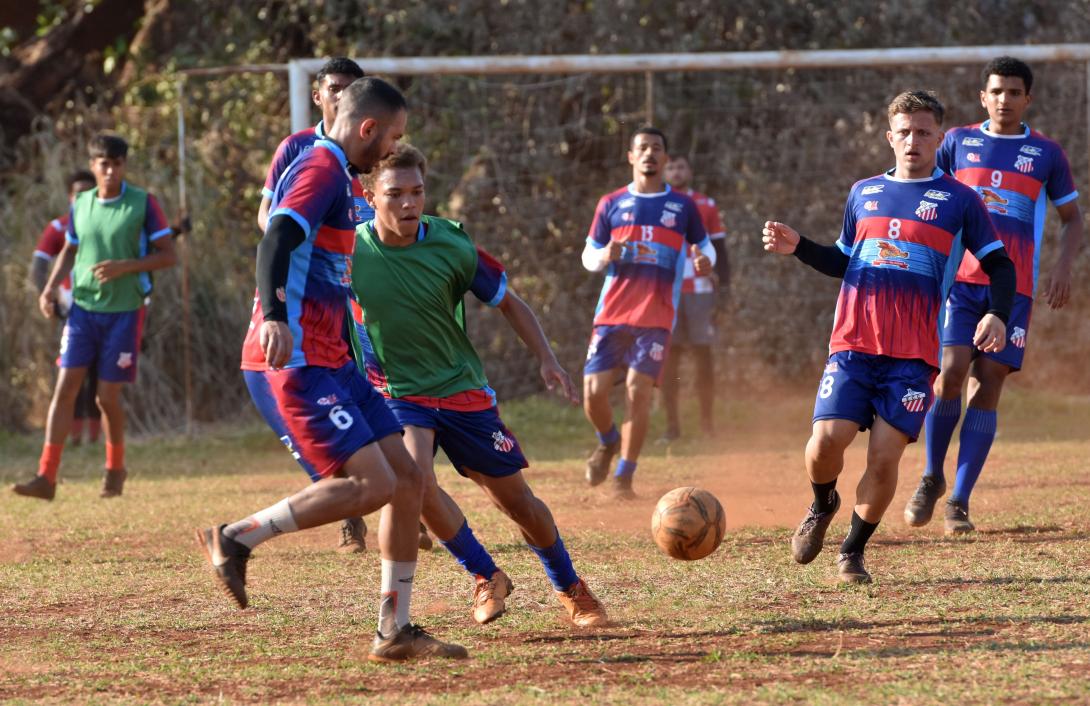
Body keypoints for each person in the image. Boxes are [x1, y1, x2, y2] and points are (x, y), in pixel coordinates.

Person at [195, 78, 466, 662]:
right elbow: (277, 238)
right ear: (368, 129)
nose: (394, 146)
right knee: (372, 486)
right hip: (297, 360)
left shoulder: (344, 175)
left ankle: (394, 629)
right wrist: (272, 314)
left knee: (410, 480)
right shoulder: (321, 167)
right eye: (392, 135)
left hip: (335, 359)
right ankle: (237, 536)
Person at [349, 143, 608, 628]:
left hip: (461, 390)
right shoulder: (349, 251)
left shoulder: (452, 242)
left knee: (519, 504)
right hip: (399, 395)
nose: (408, 203)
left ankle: (571, 588)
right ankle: (485, 575)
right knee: (416, 483)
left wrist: (547, 359)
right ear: (368, 194)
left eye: (417, 192)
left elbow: (509, 301)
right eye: (395, 193)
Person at [762, 91, 1016, 583]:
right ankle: (823, 504)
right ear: (890, 137)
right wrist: (800, 248)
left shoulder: (960, 200)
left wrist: (998, 314)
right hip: (853, 344)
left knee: (883, 456)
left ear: (939, 138)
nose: (913, 141)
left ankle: (852, 552)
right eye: (904, 131)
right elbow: (844, 259)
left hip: (914, 356)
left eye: (924, 132)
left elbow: (1000, 265)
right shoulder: (864, 192)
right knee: (823, 445)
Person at [903, 57, 1083, 535]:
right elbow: (923, 195)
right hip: (960, 282)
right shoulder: (957, 142)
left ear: (1028, 98)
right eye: (996, 91)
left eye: (1014, 92)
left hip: (1015, 288)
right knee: (951, 372)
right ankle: (930, 476)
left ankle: (959, 501)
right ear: (983, 96)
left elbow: (1073, 220)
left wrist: (1064, 267)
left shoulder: (1046, 154)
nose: (1004, 99)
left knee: (990, 378)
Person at [12, 134, 177, 501]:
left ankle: (115, 469)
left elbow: (168, 256)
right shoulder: (82, 203)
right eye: (103, 162)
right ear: (93, 165)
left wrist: (125, 267)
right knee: (64, 387)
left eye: (117, 163)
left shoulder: (142, 203)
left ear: (124, 165)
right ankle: (46, 477)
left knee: (106, 398)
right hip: (83, 310)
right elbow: (69, 249)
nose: (109, 169)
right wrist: (50, 288)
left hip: (125, 311)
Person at [581, 127, 715, 499]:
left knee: (639, 392)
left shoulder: (682, 207)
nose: (649, 154)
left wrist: (705, 260)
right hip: (612, 312)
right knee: (593, 393)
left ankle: (624, 476)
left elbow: (705, 248)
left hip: (656, 316)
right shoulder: (611, 203)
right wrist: (606, 254)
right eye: (642, 148)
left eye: (657, 148)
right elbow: (588, 255)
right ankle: (607, 441)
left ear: (666, 158)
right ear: (630, 156)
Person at [660, 154, 729, 441]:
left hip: (701, 291)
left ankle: (707, 425)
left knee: (703, 357)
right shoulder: (656, 204)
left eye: (681, 166)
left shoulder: (706, 205)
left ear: (689, 171)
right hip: (667, 292)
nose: (676, 171)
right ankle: (672, 428)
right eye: (671, 167)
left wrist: (724, 291)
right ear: (665, 172)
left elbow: (720, 250)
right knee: (669, 360)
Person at [29, 170, 101, 446]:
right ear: (70, 196)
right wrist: (49, 296)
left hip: (104, 307)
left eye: (87, 192)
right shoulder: (58, 228)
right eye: (77, 193)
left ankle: (94, 438)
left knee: (99, 376)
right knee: (72, 374)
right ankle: (72, 437)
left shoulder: (103, 225)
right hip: (71, 309)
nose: (81, 198)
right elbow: (39, 266)